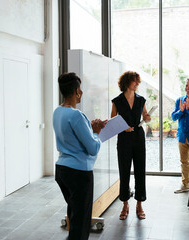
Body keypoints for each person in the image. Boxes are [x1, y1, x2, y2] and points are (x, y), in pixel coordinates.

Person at [53, 72, 106, 240]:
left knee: (74, 217)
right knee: (81, 224)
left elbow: (70, 135)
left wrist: (89, 128)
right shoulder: (76, 115)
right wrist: (96, 133)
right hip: (79, 173)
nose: (82, 92)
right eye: (80, 89)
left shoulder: (58, 111)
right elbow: (92, 148)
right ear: (76, 91)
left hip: (62, 171)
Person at [111, 71, 151, 220]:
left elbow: (145, 117)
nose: (137, 84)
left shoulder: (141, 100)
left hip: (138, 137)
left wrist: (147, 118)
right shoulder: (117, 101)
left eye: (138, 81)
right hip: (124, 139)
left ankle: (139, 204)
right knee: (124, 171)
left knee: (140, 170)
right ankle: (125, 204)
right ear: (127, 82)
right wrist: (123, 127)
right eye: (135, 81)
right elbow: (112, 122)